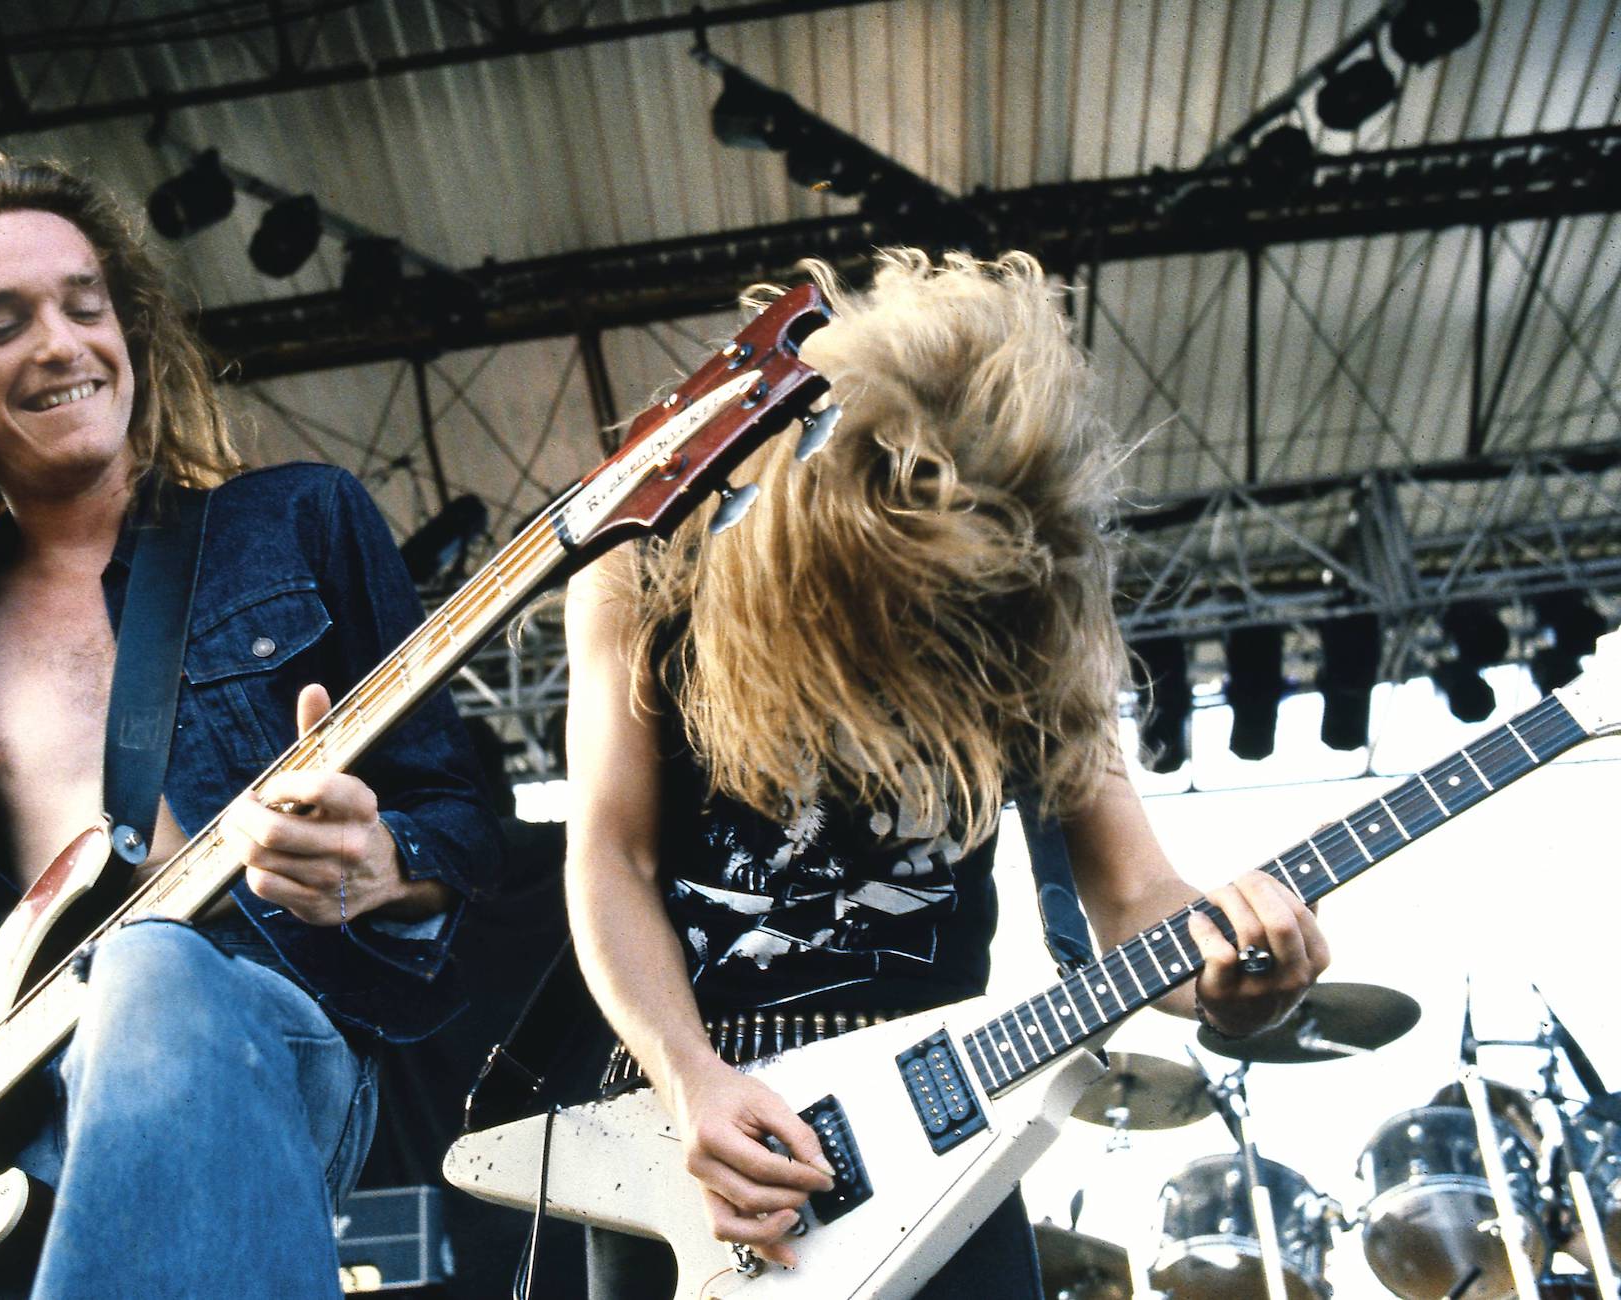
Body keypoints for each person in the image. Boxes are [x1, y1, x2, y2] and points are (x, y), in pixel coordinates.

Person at [0, 151, 501, 1297]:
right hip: (10, 1116)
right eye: (1, 321)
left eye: (84, 306)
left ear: (129, 330)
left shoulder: (297, 522)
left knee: (149, 966)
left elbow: (466, 820)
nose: (60, 343)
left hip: (256, 1041)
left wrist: (387, 864)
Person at [562, 249, 1330, 1297]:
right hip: (680, 1142)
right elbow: (611, 852)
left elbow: (1132, 891)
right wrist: (688, 1074)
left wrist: (1221, 979)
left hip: (931, 1127)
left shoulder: (1033, 601)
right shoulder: (643, 564)